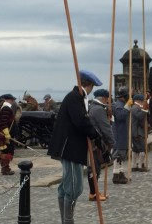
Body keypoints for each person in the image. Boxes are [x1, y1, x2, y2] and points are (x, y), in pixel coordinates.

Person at [47, 70, 101, 224]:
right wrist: (95, 134)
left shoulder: (77, 97)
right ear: (89, 85)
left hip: (72, 147)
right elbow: (81, 121)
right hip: (69, 148)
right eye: (92, 87)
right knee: (73, 187)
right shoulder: (75, 97)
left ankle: (66, 220)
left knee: (67, 185)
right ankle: (68, 221)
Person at [87, 89, 114, 201]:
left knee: (95, 166)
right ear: (103, 98)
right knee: (94, 167)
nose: (109, 100)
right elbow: (105, 127)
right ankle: (93, 193)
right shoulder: (98, 109)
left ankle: (94, 192)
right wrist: (112, 141)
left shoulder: (93, 107)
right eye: (108, 98)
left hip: (94, 141)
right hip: (96, 142)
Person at [112, 86, 132, 184]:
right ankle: (116, 175)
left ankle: (120, 173)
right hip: (119, 134)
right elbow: (120, 116)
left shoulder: (120, 104)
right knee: (118, 155)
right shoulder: (119, 105)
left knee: (122, 155)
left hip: (122, 133)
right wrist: (127, 106)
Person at [0, 94, 17, 175]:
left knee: (7, 150)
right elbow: (4, 123)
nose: (12, 101)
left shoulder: (5, 107)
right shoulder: (6, 108)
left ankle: (5, 167)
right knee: (7, 151)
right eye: (11, 100)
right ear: (7, 100)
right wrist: (7, 134)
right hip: (6, 134)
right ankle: (5, 168)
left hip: (7, 133)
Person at [131, 94, 149, 172]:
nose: (143, 102)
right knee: (142, 148)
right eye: (142, 101)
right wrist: (144, 110)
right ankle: (141, 165)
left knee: (135, 149)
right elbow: (139, 116)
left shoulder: (137, 107)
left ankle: (134, 165)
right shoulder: (135, 107)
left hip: (139, 131)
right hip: (137, 132)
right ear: (138, 101)